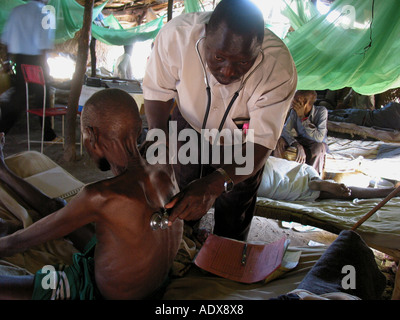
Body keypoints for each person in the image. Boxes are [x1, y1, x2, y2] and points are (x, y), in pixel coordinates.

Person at [0, 88, 183, 300]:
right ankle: (3, 170)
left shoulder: (101, 196)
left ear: (93, 135)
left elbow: (17, 243)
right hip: (155, 283)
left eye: (84, 135)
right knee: (61, 210)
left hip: (100, 292)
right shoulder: (164, 167)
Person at [142, 0, 297, 241]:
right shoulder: (176, 37)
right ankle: (186, 242)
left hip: (242, 141)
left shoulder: (278, 69)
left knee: (235, 203)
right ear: (205, 36)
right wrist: (159, 142)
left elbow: (261, 144)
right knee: (183, 189)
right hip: (189, 123)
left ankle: (226, 252)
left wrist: (215, 185)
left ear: (259, 49)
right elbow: (157, 94)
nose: (227, 71)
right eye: (219, 57)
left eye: (243, 62)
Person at [0, 0, 57, 140]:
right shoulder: (46, 13)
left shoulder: (16, 11)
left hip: (19, 61)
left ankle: (2, 129)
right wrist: (45, 67)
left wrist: (7, 61)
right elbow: (44, 44)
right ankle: (47, 132)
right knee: (42, 95)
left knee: (19, 97)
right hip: (36, 60)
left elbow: (5, 41)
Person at [258, 156, 398, 202]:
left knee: (278, 183)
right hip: (264, 163)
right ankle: (388, 192)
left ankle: (317, 185)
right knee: (294, 173)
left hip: (257, 175)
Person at [273, 90, 328, 175]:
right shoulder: (294, 111)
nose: (292, 101)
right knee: (279, 141)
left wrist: (303, 118)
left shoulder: (321, 111)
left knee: (318, 148)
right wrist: (296, 144)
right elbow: (285, 130)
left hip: (315, 143)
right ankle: (278, 173)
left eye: (295, 100)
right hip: (301, 140)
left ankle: (312, 178)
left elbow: (319, 137)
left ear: (305, 103)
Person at [328, 101, 400, 131]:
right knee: (328, 119)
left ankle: (316, 109)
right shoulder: (397, 123)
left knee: (328, 113)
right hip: (360, 121)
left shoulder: (393, 105)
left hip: (361, 112)